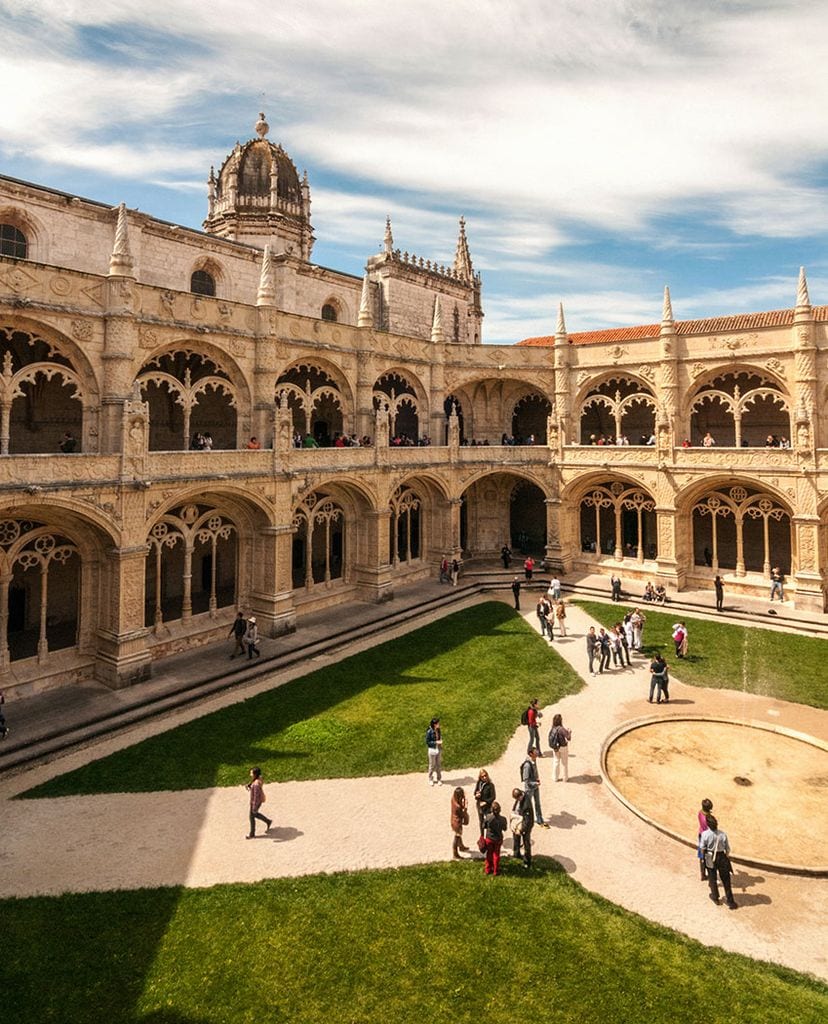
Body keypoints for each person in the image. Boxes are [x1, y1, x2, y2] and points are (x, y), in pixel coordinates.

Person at [700, 814, 737, 909]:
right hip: (722, 857)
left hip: (710, 856)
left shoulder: (705, 834)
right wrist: (726, 858)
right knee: (726, 880)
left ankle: (715, 897)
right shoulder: (723, 834)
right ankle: (730, 901)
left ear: (708, 824)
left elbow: (702, 848)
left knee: (712, 878)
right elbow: (727, 849)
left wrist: (703, 858)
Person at [521, 748, 546, 827]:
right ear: (531, 754)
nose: (537, 753)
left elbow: (534, 771)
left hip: (535, 786)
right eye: (535, 752)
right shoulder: (527, 765)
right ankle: (525, 819)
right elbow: (526, 780)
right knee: (527, 805)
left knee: (537, 803)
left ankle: (539, 819)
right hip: (529, 789)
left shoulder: (534, 760)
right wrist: (535, 783)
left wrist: (536, 779)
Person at [245, 766, 272, 839]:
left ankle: (252, 834)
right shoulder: (258, 779)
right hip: (257, 801)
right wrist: (250, 786)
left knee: (252, 816)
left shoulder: (256, 784)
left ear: (255, 774)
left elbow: (256, 797)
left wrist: (254, 806)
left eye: (251, 773)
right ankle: (268, 821)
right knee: (254, 815)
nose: (250, 774)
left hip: (255, 802)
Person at [482, 801, 508, 876]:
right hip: (498, 839)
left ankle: (487, 869)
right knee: (496, 855)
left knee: (489, 854)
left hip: (489, 839)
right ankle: (496, 870)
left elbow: (484, 826)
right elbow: (505, 828)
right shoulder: (503, 819)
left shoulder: (488, 817)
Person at [511, 787, 534, 868]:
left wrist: (521, 830)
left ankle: (527, 861)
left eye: (518, 798)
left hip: (526, 825)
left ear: (520, 796)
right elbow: (516, 806)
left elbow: (527, 821)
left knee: (526, 843)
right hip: (519, 820)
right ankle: (516, 853)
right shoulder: (520, 796)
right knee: (516, 838)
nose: (517, 800)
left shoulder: (526, 805)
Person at [548, 713, 571, 782]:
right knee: (564, 763)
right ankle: (565, 778)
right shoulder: (561, 729)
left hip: (555, 747)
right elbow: (568, 738)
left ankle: (555, 778)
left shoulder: (552, 728)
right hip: (563, 747)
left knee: (556, 762)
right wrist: (569, 732)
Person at [473, 769, 495, 835]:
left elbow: (493, 797)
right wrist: (476, 794)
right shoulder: (479, 783)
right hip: (479, 806)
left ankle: (489, 836)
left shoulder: (490, 785)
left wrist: (486, 802)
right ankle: (482, 836)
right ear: (480, 777)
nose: (484, 777)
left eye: (485, 775)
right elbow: (475, 792)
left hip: (488, 807)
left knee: (489, 821)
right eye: (482, 776)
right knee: (481, 821)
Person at [450, 787, 470, 859]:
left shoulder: (453, 799)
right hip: (457, 823)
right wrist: (466, 807)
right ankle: (455, 854)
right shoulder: (458, 807)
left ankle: (461, 846)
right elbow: (463, 814)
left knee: (459, 835)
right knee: (457, 837)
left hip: (453, 820)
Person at [697, 798, 714, 880]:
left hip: (701, 835)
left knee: (701, 856)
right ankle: (710, 875)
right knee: (709, 856)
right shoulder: (708, 818)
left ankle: (703, 874)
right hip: (707, 838)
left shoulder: (700, 813)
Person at [426, 717, 443, 786]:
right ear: (434, 724)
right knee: (432, 765)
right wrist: (436, 742)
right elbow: (428, 742)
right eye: (438, 723)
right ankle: (430, 779)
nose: (439, 724)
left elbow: (439, 737)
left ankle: (439, 779)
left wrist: (440, 741)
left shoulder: (438, 729)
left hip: (438, 749)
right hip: (432, 750)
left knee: (438, 765)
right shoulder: (429, 731)